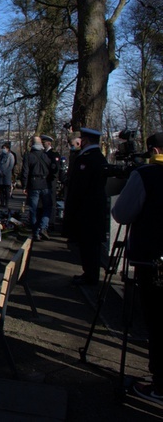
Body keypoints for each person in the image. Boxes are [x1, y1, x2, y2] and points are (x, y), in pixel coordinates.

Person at [111, 131, 163, 405]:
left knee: (157, 321)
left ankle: (160, 385)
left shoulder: (147, 175)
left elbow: (121, 213)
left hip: (153, 262)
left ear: (153, 149)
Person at [64, 127, 108, 286]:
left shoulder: (88, 158)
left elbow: (79, 187)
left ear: (85, 140)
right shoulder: (98, 157)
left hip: (86, 210)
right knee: (89, 245)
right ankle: (90, 273)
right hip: (93, 209)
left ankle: (90, 276)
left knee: (88, 245)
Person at [21, 136, 54, 241]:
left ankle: (35, 232)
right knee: (47, 207)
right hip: (45, 184)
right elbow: (52, 170)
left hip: (33, 184)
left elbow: (25, 172)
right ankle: (43, 226)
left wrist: (24, 186)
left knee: (33, 209)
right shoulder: (46, 156)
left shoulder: (28, 156)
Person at [41, 134, 61, 230]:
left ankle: (51, 222)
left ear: (49, 143)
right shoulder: (43, 153)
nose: (42, 144)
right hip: (44, 181)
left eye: (44, 142)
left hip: (50, 180)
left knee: (51, 201)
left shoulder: (53, 154)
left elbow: (55, 168)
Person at [0, 142, 15, 208]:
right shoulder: (0, 156)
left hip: (7, 175)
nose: (3, 149)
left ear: (8, 149)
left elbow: (11, 165)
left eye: (4, 148)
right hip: (0, 175)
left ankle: (6, 203)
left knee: (6, 190)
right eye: (2, 148)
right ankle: (2, 202)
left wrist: (5, 172)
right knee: (1, 190)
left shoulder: (11, 156)